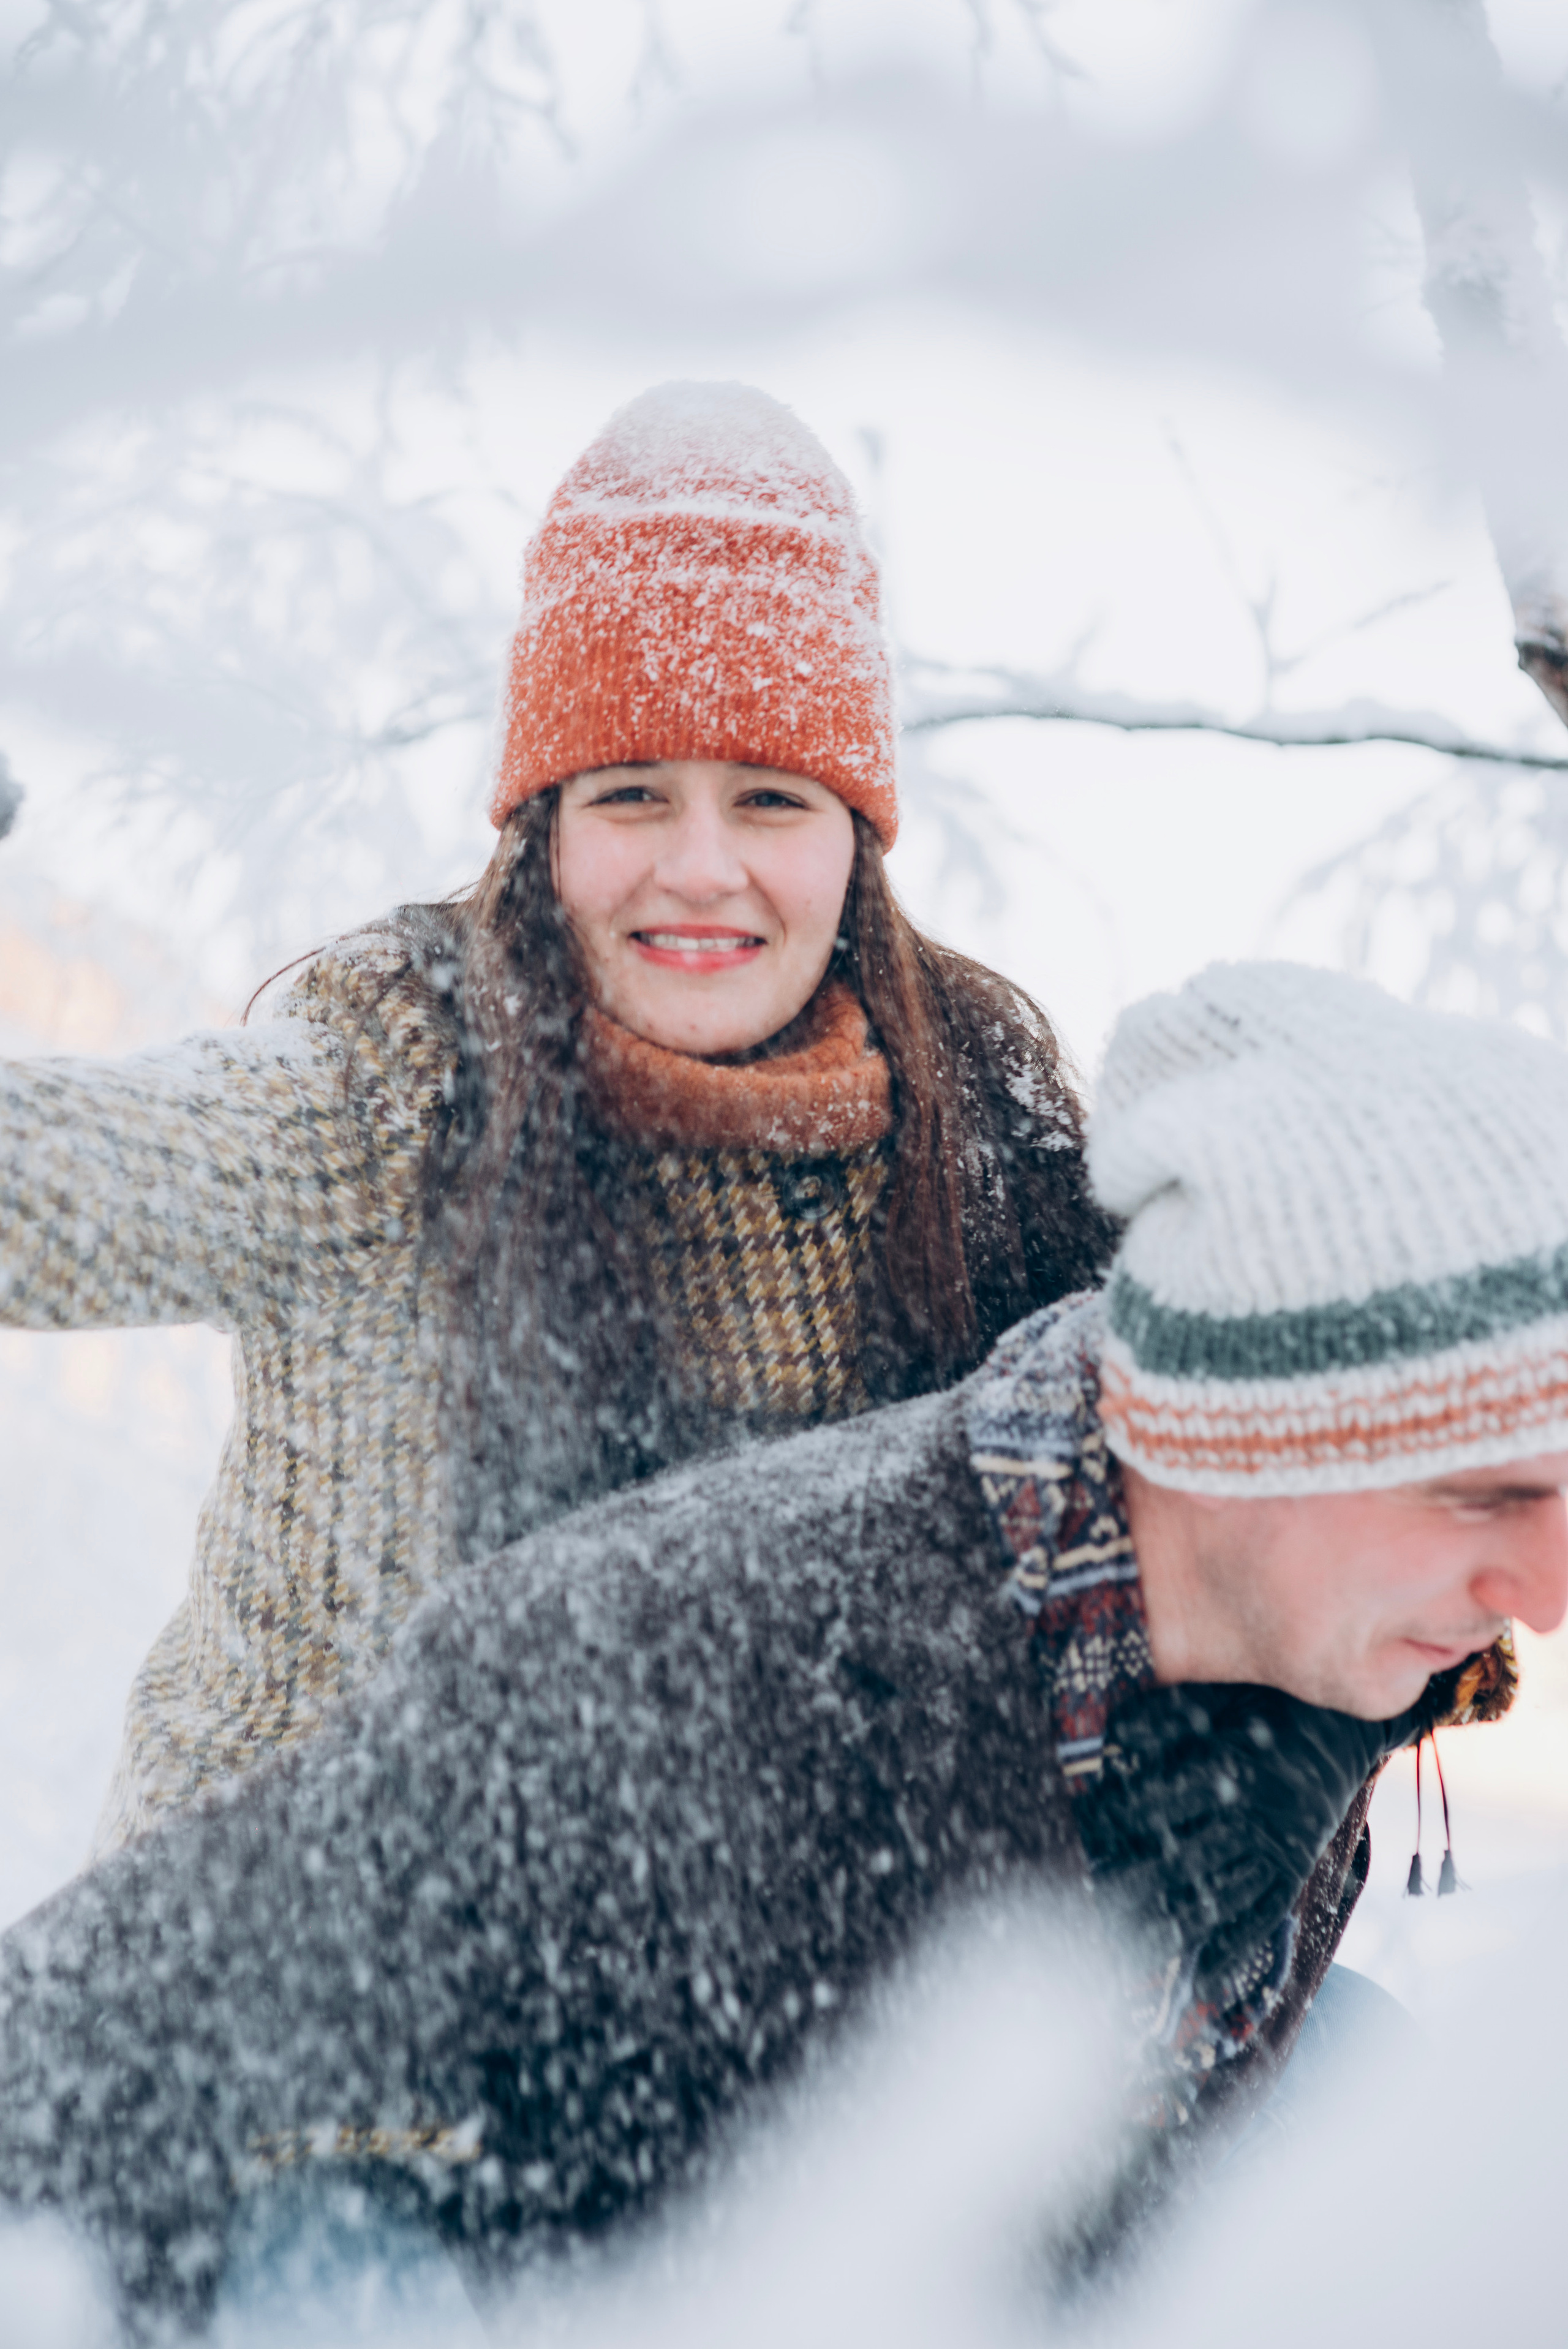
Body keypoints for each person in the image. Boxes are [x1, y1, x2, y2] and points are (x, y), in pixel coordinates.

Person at [2, 960, 1565, 2338]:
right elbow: (71, 2060)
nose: (1546, 1593)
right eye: (1479, 1491)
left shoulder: (1301, 1676)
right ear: (1207, 1427)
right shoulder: (669, 1669)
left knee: (1397, 2113)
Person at [0, 380, 1110, 1853]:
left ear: (857, 836)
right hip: (306, 2032)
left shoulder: (984, 1136)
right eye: (633, 794)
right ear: (544, 829)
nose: (701, 868)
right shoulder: (390, 1093)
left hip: (773, 2049)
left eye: (772, 798)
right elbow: (44, 1187)